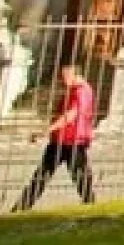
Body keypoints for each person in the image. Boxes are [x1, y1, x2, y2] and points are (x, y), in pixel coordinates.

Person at [12, 65, 97, 211]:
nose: (62, 80)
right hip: (61, 140)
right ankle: (21, 207)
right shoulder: (75, 90)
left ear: (75, 75)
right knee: (43, 174)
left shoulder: (82, 92)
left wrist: (47, 130)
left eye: (65, 77)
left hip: (72, 141)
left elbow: (70, 115)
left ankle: (91, 204)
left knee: (79, 177)